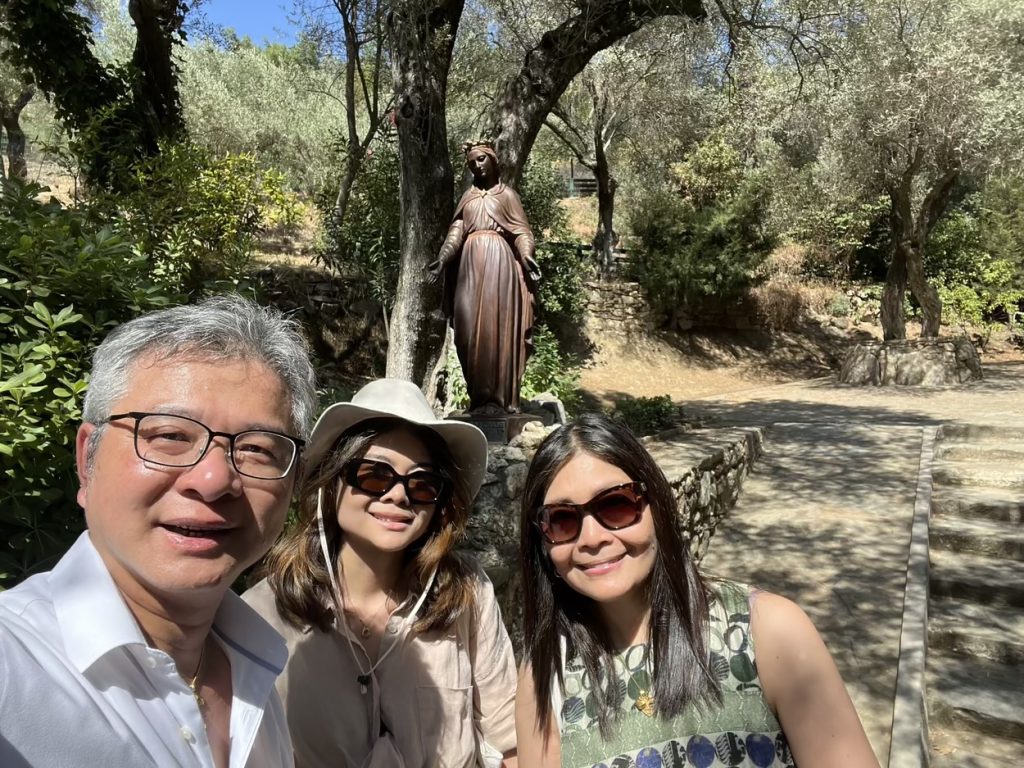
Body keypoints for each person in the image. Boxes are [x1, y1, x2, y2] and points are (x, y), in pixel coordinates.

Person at [0, 295, 317, 767]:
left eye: (256, 449)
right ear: (88, 461)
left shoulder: (258, 670)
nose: (213, 481)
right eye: (169, 436)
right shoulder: (15, 666)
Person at [515, 413, 881, 768]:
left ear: (656, 505)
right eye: (562, 520)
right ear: (543, 544)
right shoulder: (545, 679)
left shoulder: (767, 632)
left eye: (616, 505)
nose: (592, 539)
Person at [244, 378, 519, 768]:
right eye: (374, 476)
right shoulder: (262, 617)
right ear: (332, 480)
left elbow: (510, 745)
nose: (398, 495)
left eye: (423, 484)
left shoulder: (466, 596)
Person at [428, 140, 540, 414]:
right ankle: (478, 398)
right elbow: (456, 232)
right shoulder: (467, 197)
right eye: (471, 163)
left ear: (492, 160)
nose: (476, 166)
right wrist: (442, 259)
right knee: (466, 332)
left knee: (495, 328)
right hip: (469, 267)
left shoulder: (507, 196)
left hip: (500, 268)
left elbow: (522, 232)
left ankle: (496, 401)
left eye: (481, 160)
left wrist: (526, 255)